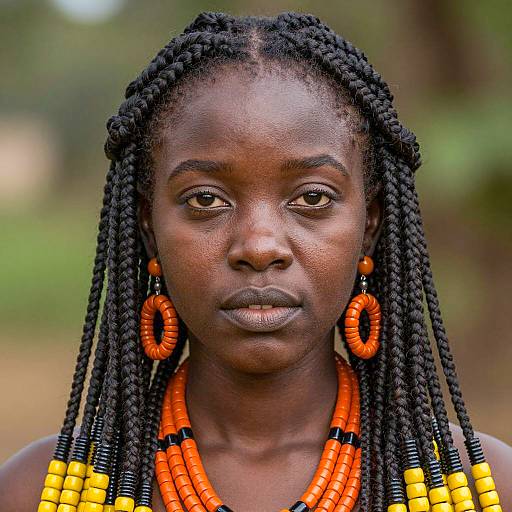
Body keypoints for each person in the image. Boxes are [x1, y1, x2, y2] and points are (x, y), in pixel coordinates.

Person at [0, 11, 510, 512]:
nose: (260, 246)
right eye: (205, 200)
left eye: (312, 198)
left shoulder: (482, 488)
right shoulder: (37, 493)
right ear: (149, 227)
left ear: (369, 224)